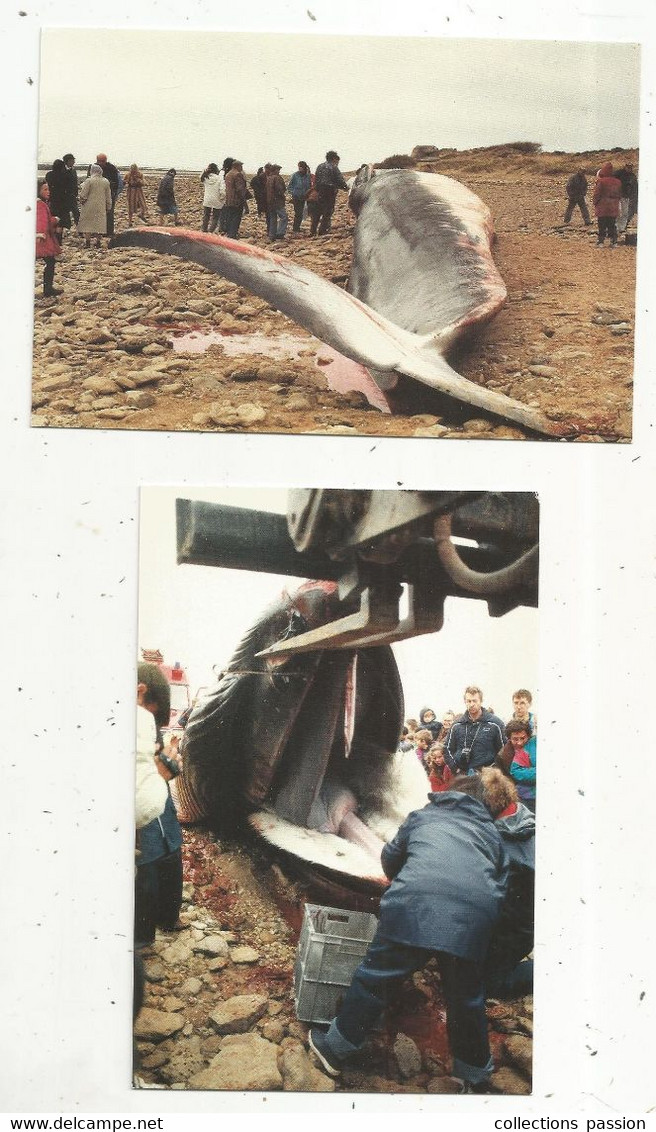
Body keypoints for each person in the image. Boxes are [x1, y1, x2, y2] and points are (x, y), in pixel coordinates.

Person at [308, 774, 509, 1091]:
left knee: (375, 981)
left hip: (413, 907)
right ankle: (473, 1075)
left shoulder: (424, 816)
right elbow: (500, 886)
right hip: (471, 921)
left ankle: (335, 1048)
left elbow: (390, 860)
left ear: (451, 792)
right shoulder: (492, 835)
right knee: (466, 998)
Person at [134, 663, 184, 950]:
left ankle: (169, 918)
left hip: (165, 818)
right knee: (146, 881)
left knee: (172, 864)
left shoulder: (150, 731)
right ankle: (142, 940)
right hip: (145, 823)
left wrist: (168, 768)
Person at [480, 768, 535, 999]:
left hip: (519, 924)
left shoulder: (499, 842)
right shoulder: (526, 815)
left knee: (490, 986)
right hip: (521, 914)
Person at [444, 686, 506, 774]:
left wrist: (492, 770)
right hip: (462, 776)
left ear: (481, 701)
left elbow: (503, 750)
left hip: (486, 775)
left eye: (475, 701)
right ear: (465, 702)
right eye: (469, 701)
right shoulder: (456, 725)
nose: (472, 704)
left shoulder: (495, 724)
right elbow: (447, 749)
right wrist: (456, 769)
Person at [35, 179, 62, 298]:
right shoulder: (40, 204)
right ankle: (48, 289)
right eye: (45, 189)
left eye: (48, 189)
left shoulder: (37, 203)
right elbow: (42, 221)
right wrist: (55, 220)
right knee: (50, 262)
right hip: (42, 240)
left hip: (40, 238)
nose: (48, 192)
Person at [311, 150, 348, 236]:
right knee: (328, 211)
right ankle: (322, 230)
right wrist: (346, 188)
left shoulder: (320, 166)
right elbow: (339, 179)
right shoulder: (333, 167)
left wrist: (316, 189)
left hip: (320, 190)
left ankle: (313, 230)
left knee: (318, 211)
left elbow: (316, 179)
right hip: (330, 191)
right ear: (334, 159)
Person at [505, 719, 536, 813]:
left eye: (523, 738)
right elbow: (514, 772)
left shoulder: (534, 744)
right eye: (515, 739)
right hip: (523, 796)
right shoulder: (503, 755)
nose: (519, 742)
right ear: (509, 739)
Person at [78, 163, 112, 249]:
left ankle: (88, 242)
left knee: (88, 224)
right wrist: (108, 206)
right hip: (100, 205)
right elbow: (108, 195)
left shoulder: (89, 181)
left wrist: (82, 200)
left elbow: (84, 194)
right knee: (98, 224)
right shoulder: (105, 181)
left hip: (89, 205)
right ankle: (98, 241)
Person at [593, 162, 621, 247]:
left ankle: (601, 241)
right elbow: (620, 194)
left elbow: (597, 194)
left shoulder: (601, 181)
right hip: (613, 206)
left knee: (602, 224)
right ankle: (614, 241)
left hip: (603, 206)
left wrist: (595, 202)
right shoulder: (618, 182)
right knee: (612, 224)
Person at [92, 153, 120, 236]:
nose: (100, 163)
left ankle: (109, 232)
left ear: (105, 161)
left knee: (109, 213)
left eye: (102, 161)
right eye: (98, 161)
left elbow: (116, 182)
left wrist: (113, 193)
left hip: (109, 194)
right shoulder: (93, 167)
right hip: (96, 194)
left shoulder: (111, 168)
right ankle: (96, 232)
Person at [45, 159, 72, 240]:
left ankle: (53, 239)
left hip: (52, 199)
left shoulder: (49, 174)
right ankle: (59, 239)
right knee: (61, 221)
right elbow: (69, 188)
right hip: (63, 200)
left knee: (53, 219)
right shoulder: (66, 175)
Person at [223, 159, 248, 239]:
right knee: (236, 219)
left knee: (229, 218)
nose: (242, 168)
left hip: (229, 200)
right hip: (237, 201)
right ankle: (232, 236)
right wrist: (245, 204)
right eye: (241, 166)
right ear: (237, 166)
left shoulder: (228, 174)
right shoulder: (238, 175)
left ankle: (229, 234)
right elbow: (240, 190)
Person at [288, 160, 312, 232]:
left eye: (301, 167)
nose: (300, 169)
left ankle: (297, 227)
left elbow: (309, 186)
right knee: (298, 213)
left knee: (301, 213)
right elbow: (289, 186)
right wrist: (293, 192)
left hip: (304, 197)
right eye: (299, 167)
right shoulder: (295, 175)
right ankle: (295, 228)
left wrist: (308, 194)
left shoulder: (307, 176)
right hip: (296, 197)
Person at [200, 162, 224, 233]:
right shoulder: (220, 178)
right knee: (215, 217)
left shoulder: (205, 177)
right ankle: (210, 232)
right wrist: (222, 198)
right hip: (217, 200)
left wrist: (206, 170)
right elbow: (222, 190)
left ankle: (204, 230)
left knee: (206, 216)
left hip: (207, 199)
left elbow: (201, 174)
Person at [266, 163, 288, 241]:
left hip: (270, 201)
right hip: (277, 201)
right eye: (278, 170)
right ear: (275, 170)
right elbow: (280, 190)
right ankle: (280, 233)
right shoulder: (277, 178)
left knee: (273, 218)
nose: (279, 171)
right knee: (284, 217)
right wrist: (282, 196)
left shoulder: (269, 178)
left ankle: (272, 235)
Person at [615, 163, 638, 234]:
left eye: (630, 167)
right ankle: (616, 227)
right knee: (618, 212)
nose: (629, 169)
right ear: (625, 167)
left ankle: (622, 227)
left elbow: (635, 187)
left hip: (626, 196)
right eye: (628, 167)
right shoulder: (618, 173)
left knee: (625, 212)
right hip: (617, 195)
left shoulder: (632, 176)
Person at [62, 153, 79, 225]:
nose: (74, 162)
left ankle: (80, 230)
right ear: (68, 161)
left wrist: (76, 193)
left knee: (76, 213)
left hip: (72, 196)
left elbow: (75, 183)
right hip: (64, 197)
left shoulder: (73, 171)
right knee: (64, 213)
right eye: (72, 160)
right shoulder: (61, 171)